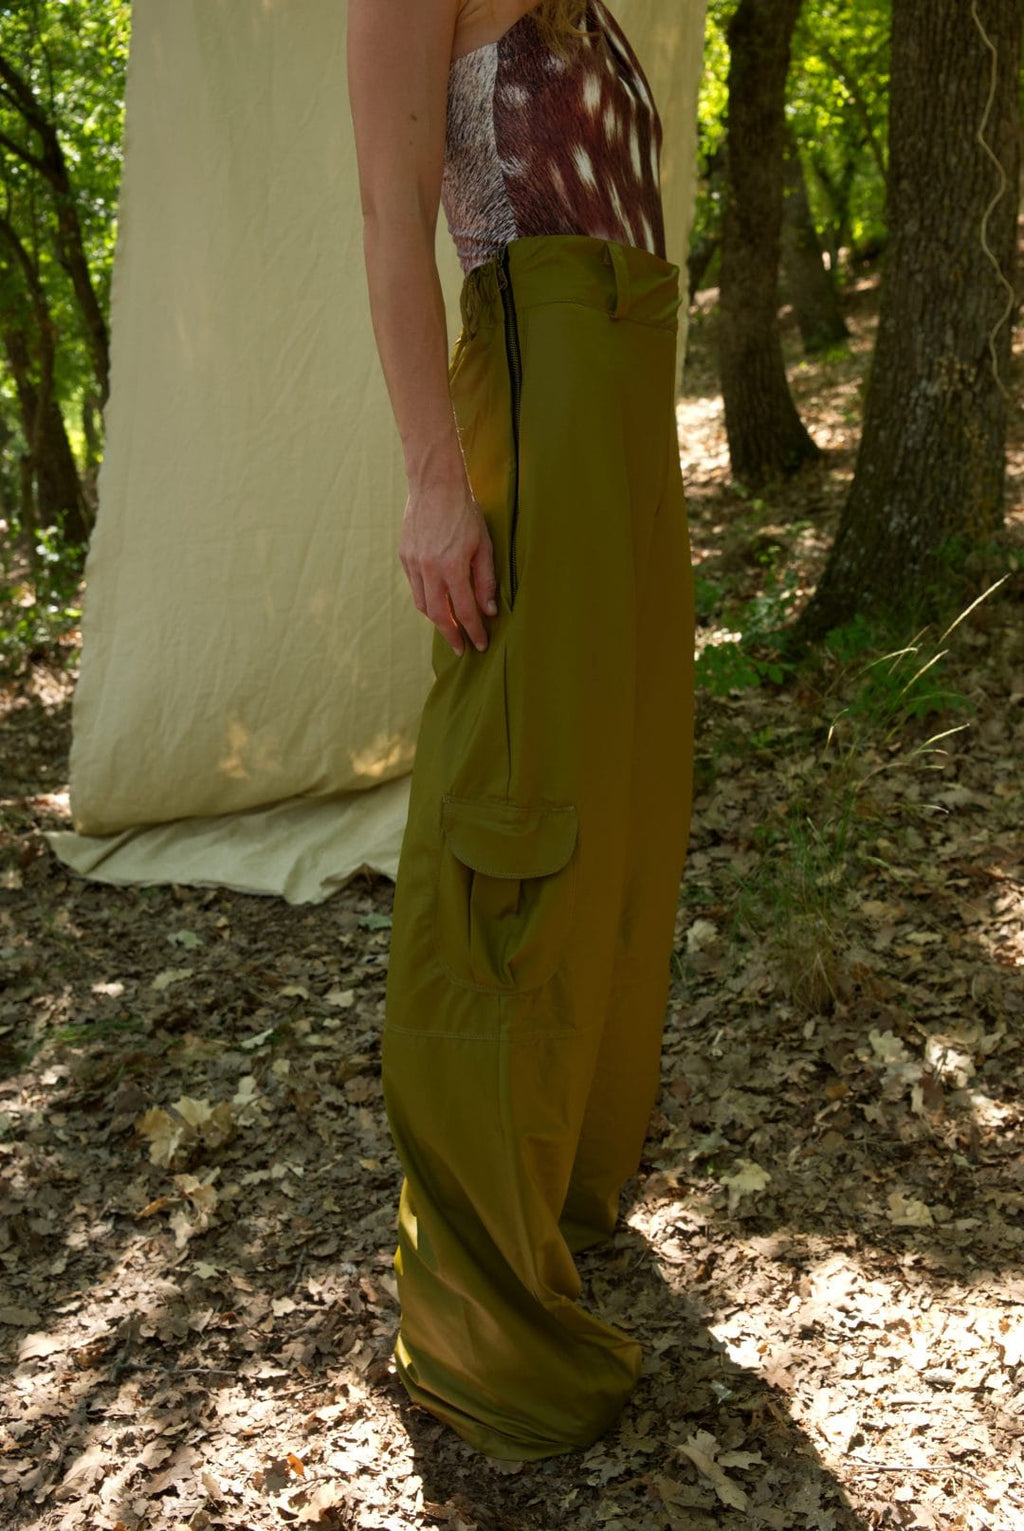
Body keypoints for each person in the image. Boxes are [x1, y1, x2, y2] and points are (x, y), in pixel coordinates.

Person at [347, 0, 695, 1461]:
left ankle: (556, 1188)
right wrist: (437, 481)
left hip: (621, 395)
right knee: (515, 827)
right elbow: (388, 219)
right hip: (534, 389)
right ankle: (482, 1315)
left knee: (620, 813)